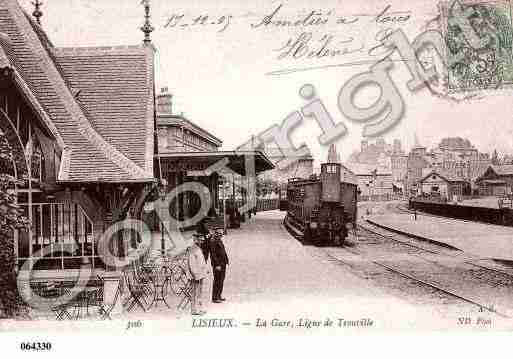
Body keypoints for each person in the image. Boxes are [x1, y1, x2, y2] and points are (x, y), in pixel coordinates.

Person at [187, 236, 210, 315]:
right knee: (194, 293)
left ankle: (199, 309)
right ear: (195, 240)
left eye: (202, 240)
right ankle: (194, 310)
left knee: (199, 293)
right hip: (195, 276)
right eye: (200, 240)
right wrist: (195, 275)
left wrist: (205, 270)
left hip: (200, 275)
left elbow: (201, 261)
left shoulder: (198, 249)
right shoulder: (193, 249)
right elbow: (191, 264)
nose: (202, 242)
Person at [209, 231, 229, 303]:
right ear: (215, 234)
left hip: (223, 263)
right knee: (217, 280)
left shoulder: (219, 240)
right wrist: (217, 264)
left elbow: (223, 251)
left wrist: (226, 260)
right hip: (218, 264)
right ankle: (215, 297)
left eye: (221, 234)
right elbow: (213, 255)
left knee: (221, 280)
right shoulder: (213, 241)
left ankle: (219, 295)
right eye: (219, 234)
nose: (220, 235)